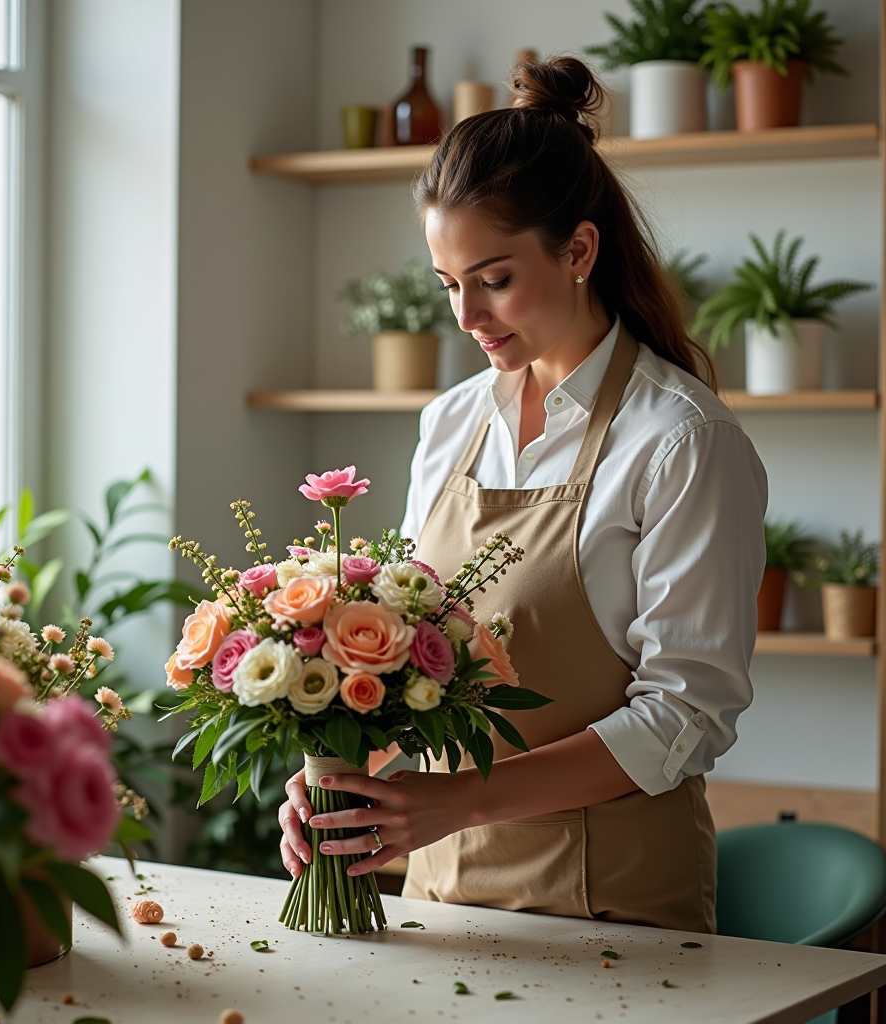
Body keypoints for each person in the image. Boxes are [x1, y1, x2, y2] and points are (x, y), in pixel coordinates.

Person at [277, 55, 767, 932]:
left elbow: (684, 716)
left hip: (613, 907)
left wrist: (457, 800)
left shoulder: (682, 441)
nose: (467, 316)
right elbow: (413, 660)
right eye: (449, 285)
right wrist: (347, 774)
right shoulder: (451, 421)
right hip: (441, 894)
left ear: (579, 249)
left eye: (494, 278)